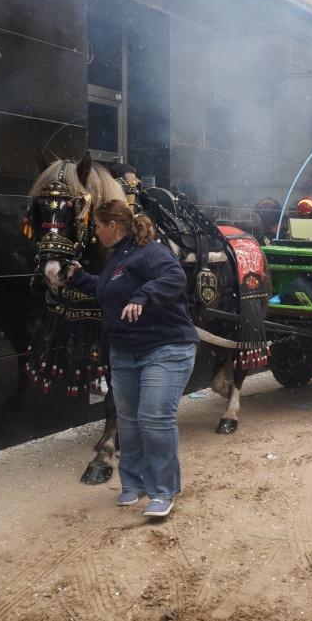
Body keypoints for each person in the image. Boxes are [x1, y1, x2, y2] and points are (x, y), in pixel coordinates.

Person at [67, 200, 198, 518]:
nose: (96, 233)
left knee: (154, 418)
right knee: (128, 422)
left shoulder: (150, 252)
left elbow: (174, 276)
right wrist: (78, 276)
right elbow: (109, 288)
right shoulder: (117, 258)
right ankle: (134, 484)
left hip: (165, 348)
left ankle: (163, 491)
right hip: (125, 350)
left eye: (98, 226)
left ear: (113, 226)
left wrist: (143, 297)